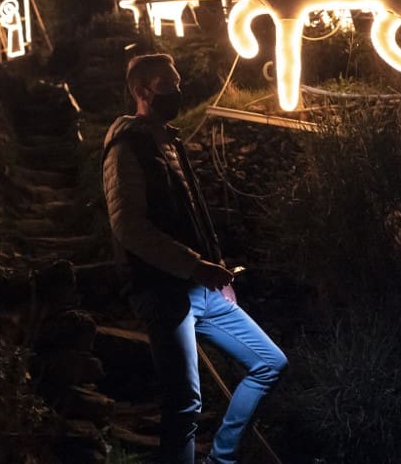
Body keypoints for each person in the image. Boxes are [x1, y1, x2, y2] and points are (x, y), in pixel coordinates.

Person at [102, 53, 286, 464]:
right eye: (166, 85)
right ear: (140, 90)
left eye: (177, 83)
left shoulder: (170, 138)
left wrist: (218, 273)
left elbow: (192, 215)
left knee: (269, 362)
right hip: (163, 288)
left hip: (203, 286)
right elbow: (128, 227)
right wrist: (193, 264)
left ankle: (220, 459)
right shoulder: (126, 145)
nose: (177, 92)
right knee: (185, 403)